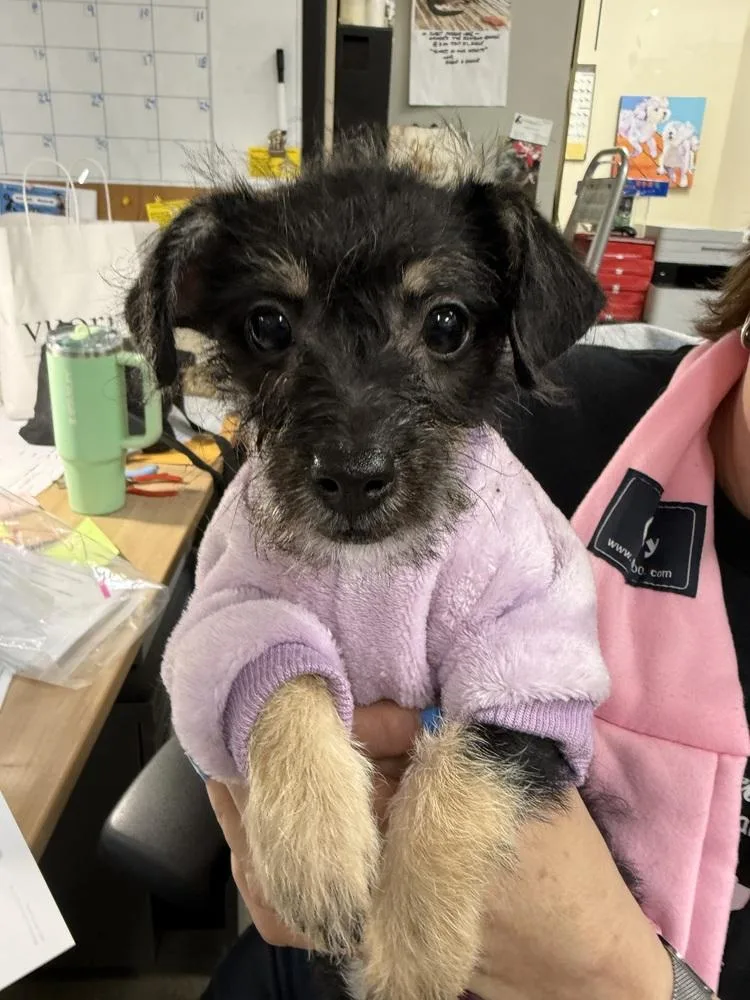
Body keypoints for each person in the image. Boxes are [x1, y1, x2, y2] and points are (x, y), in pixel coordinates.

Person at [201, 243, 750, 1000]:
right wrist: (272, 734)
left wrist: (616, 976)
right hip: (333, 941)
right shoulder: (529, 416)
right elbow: (231, 627)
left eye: (439, 325)